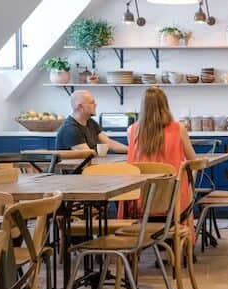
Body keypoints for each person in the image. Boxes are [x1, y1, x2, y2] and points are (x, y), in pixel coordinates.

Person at [126, 87, 198, 219]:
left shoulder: (132, 131)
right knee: (186, 177)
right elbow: (193, 162)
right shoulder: (179, 129)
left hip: (139, 200)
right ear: (165, 105)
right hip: (172, 200)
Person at [55, 90, 127, 153]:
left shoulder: (90, 122)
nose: (95, 105)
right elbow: (88, 155)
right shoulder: (70, 129)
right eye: (92, 103)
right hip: (79, 168)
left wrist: (131, 151)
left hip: (89, 165)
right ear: (80, 107)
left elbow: (109, 143)